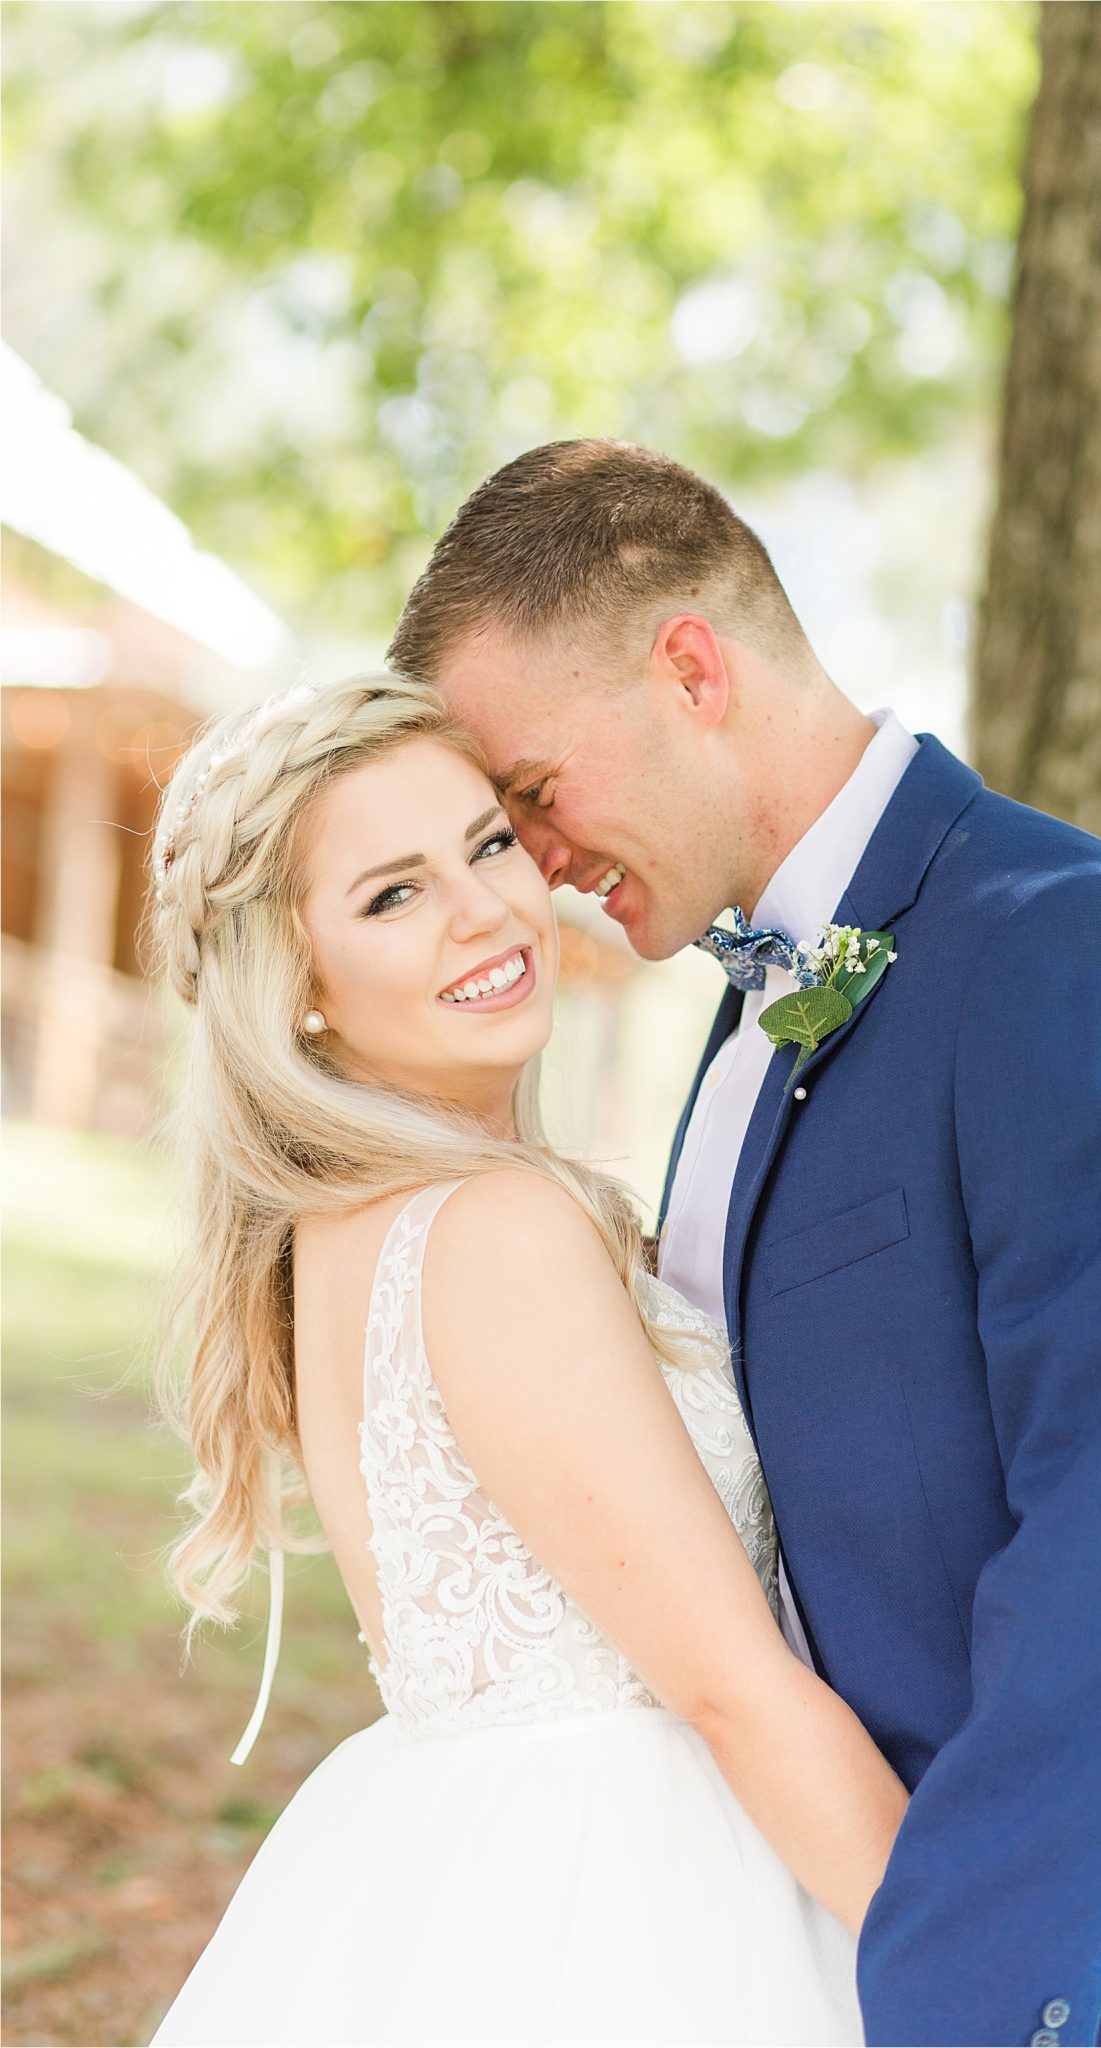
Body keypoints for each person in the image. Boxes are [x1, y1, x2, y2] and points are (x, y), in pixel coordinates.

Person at [388, 438, 1101, 2048]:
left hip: (1100, 1974)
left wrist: (959, 2007)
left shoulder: (1065, 950)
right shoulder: (759, 1003)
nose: (536, 864)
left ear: (689, 669)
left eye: (532, 794)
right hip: (845, 1935)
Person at [146, 671, 907, 2048]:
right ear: (299, 986)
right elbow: (730, 1686)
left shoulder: (342, 1228)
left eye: (486, 844)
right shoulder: (495, 1228)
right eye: (392, 894)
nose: (485, 910)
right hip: (632, 1903)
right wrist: (995, 1983)